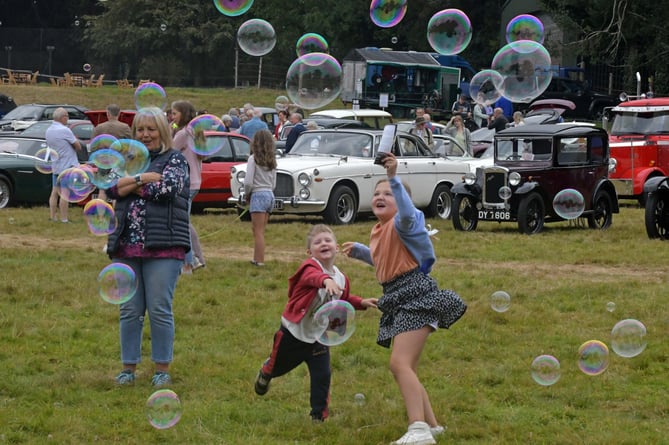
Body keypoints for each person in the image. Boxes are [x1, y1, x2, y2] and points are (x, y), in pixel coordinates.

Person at [342, 153, 466, 445]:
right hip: (399, 296)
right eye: (377, 193)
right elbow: (388, 262)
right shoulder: (381, 230)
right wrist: (361, 251)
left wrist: (395, 176)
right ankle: (432, 426)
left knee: (399, 365)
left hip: (415, 297)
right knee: (406, 366)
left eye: (389, 193)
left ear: (401, 202)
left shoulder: (404, 222)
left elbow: (409, 215)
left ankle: (419, 429)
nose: (380, 196)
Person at [254, 224, 378, 422]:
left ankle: (318, 416)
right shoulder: (309, 267)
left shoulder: (341, 278)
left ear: (336, 247)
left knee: (322, 376)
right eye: (318, 242)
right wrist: (325, 281)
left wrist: (361, 302)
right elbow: (313, 278)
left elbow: (342, 300)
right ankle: (266, 371)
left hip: (319, 337)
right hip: (293, 334)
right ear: (309, 252)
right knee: (278, 367)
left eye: (328, 240)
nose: (324, 244)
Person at [105, 106, 190, 387]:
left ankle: (161, 369)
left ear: (162, 131)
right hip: (126, 245)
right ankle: (128, 368)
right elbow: (111, 189)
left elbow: (166, 190)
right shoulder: (130, 160)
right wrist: (141, 178)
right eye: (140, 129)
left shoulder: (175, 160)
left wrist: (128, 185)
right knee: (129, 310)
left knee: (159, 308)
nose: (145, 134)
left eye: (151, 129)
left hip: (163, 246)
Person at [171, 100, 205, 273]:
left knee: (182, 224)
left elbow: (168, 152)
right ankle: (198, 258)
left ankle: (190, 263)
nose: (171, 116)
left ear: (183, 115)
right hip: (195, 181)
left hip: (185, 183)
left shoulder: (183, 134)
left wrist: (169, 133)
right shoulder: (195, 132)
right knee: (185, 222)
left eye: (175, 113)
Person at [244, 129, 277, 266]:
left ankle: (259, 260)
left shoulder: (253, 159)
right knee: (261, 230)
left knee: (257, 231)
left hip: (258, 194)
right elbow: (274, 183)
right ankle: (258, 258)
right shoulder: (272, 161)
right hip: (270, 194)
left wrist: (247, 194)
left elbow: (248, 182)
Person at [46, 107, 82, 223]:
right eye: (67, 116)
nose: (68, 118)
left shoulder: (49, 130)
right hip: (67, 166)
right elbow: (78, 146)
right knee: (65, 194)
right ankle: (64, 219)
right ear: (62, 117)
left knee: (54, 192)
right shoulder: (65, 130)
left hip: (56, 166)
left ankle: (52, 217)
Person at [93, 104, 132, 201]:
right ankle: (115, 214)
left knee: (102, 189)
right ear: (119, 113)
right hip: (119, 161)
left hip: (103, 160)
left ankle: (101, 214)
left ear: (108, 114)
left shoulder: (99, 127)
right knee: (116, 188)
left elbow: (93, 145)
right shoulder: (125, 127)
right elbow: (131, 145)